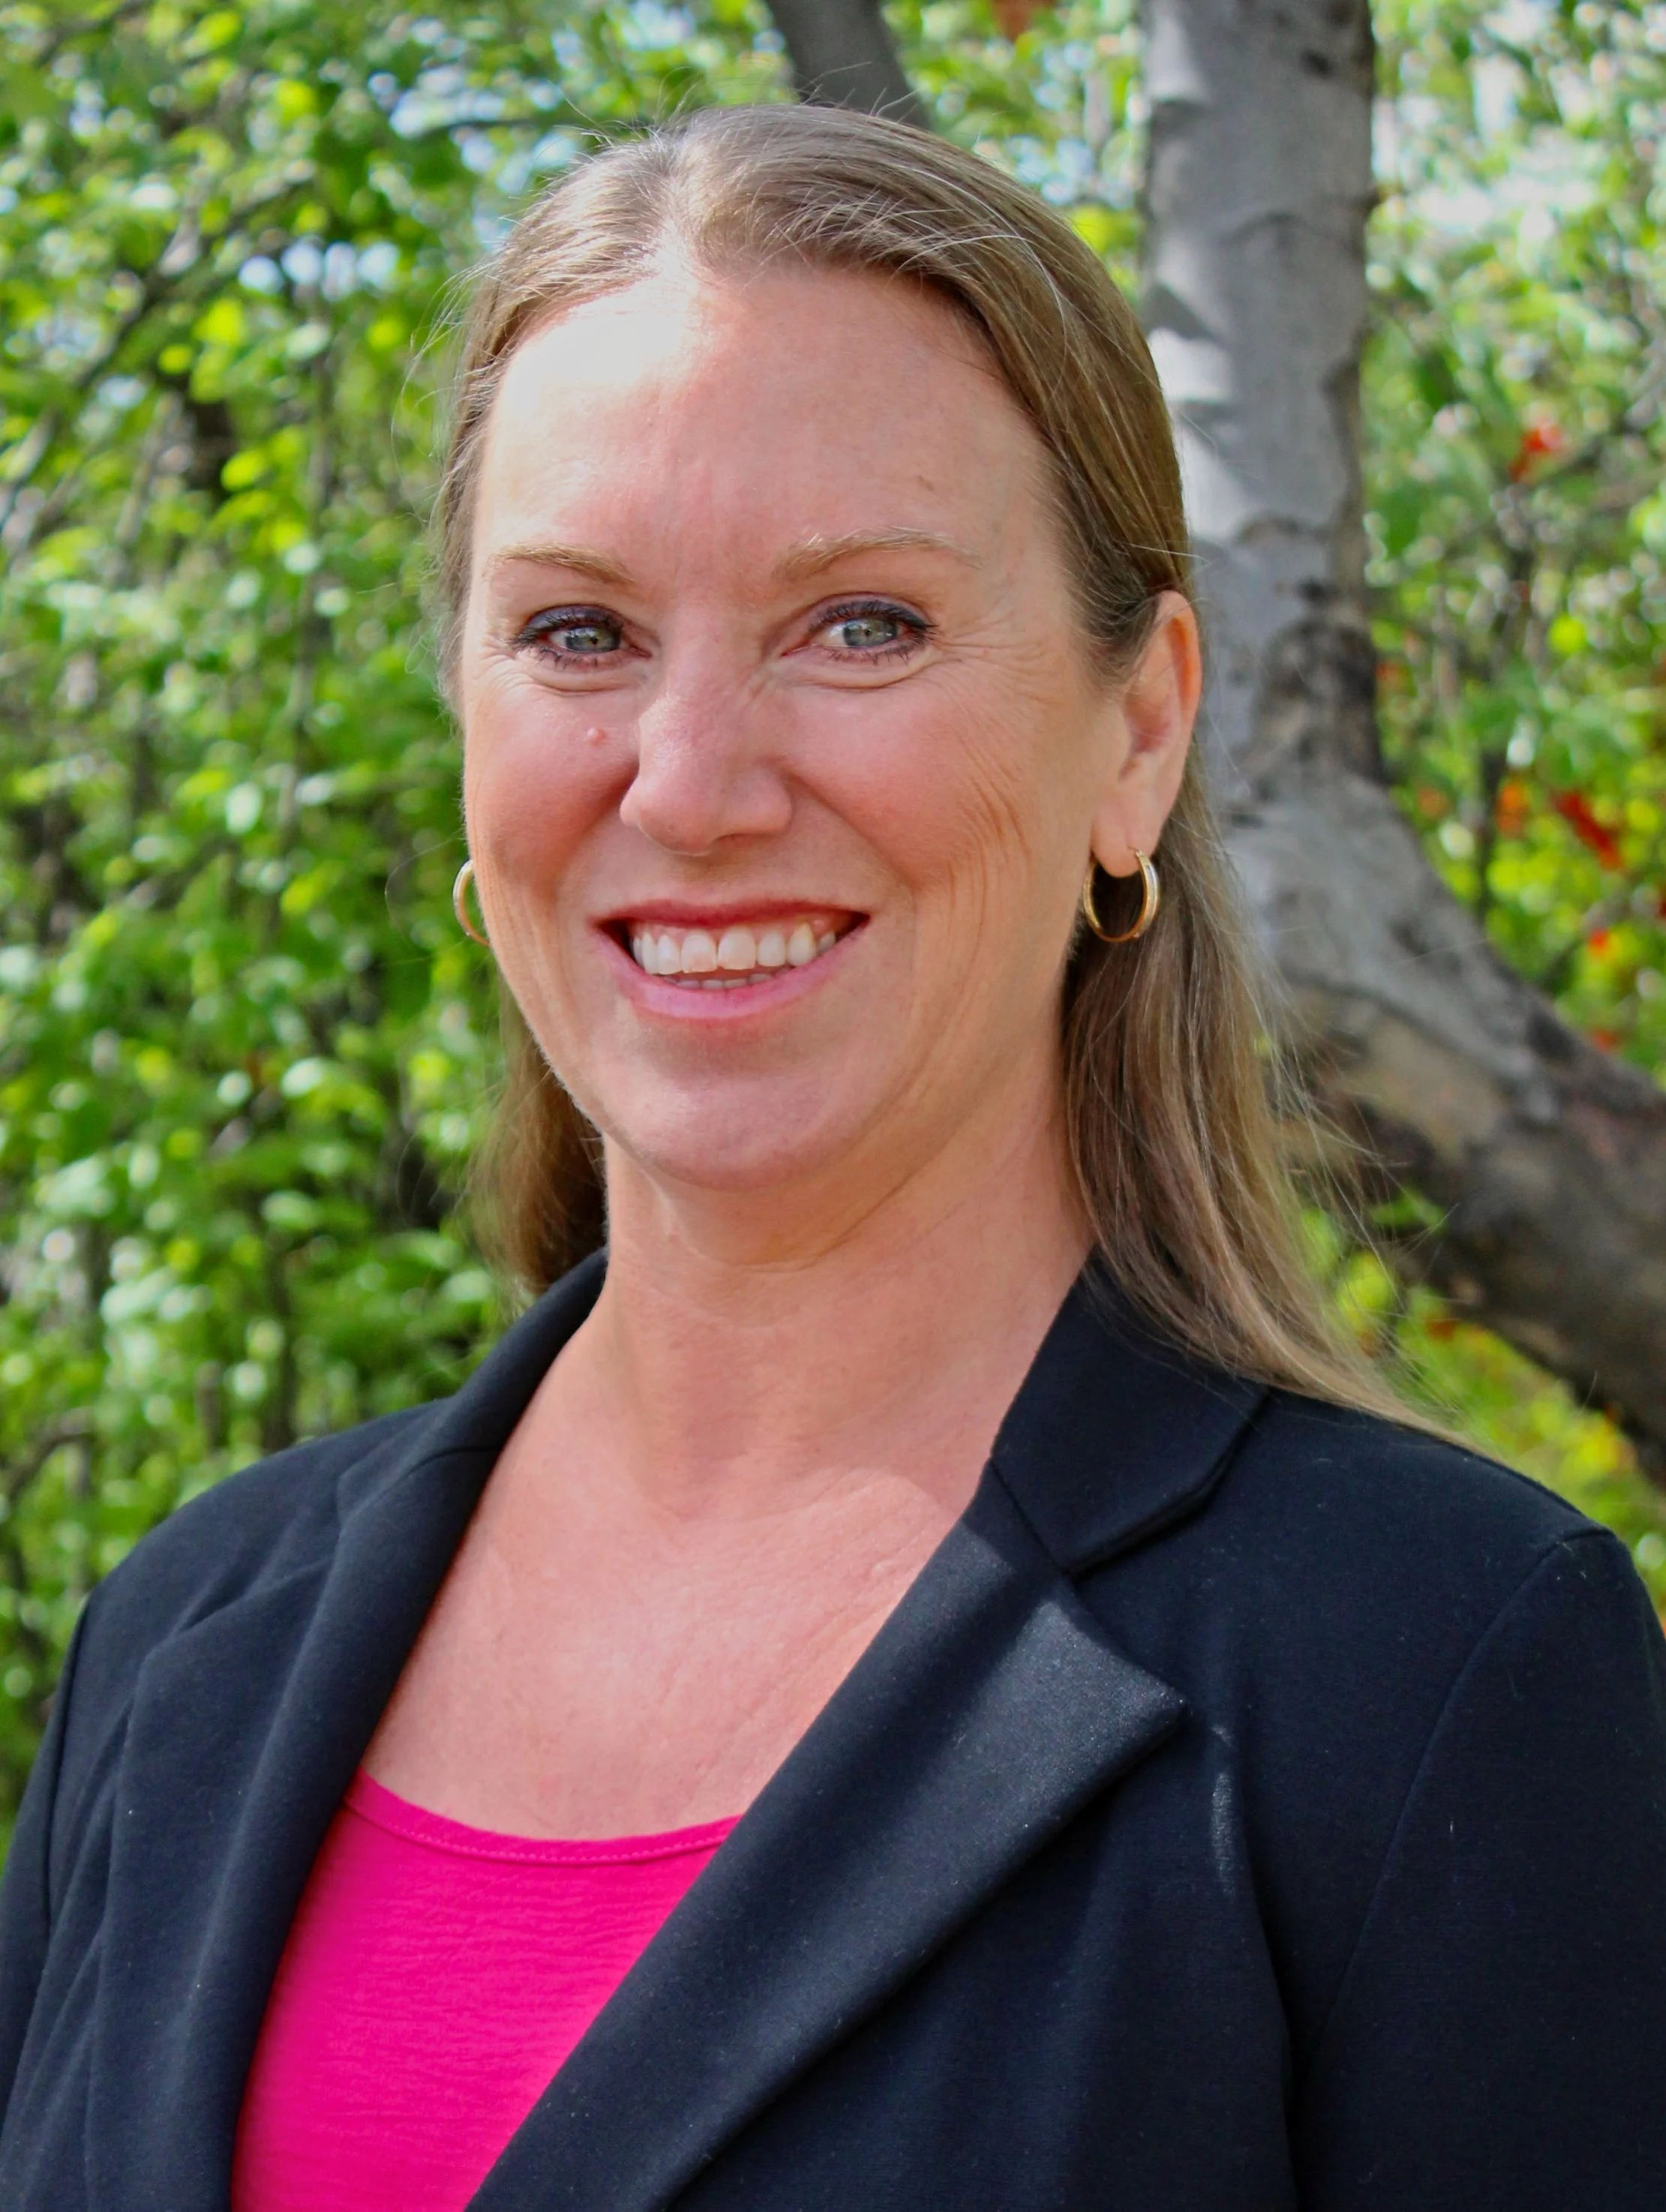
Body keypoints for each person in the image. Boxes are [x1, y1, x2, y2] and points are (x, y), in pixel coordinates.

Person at [2, 101, 1663, 2212]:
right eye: (577, 633)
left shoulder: (1432, 1666)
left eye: (858, 623)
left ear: (1136, 730)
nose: (689, 786)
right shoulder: (187, 1634)